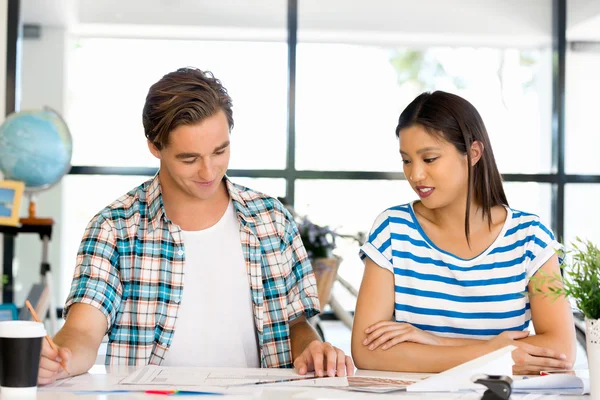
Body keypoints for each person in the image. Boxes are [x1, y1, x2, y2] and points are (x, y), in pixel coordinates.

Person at [38, 67, 354, 385]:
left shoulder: (271, 219)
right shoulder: (114, 228)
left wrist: (313, 348)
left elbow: (296, 322)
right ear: (154, 146)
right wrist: (59, 359)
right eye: (189, 158)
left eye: (220, 151)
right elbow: (82, 331)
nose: (208, 171)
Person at [351, 91, 576, 375]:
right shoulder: (393, 230)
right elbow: (366, 351)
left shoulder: (529, 238)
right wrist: (493, 353)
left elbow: (561, 350)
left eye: (429, 159)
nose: (415, 175)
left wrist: (437, 343)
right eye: (406, 160)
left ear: (473, 153)